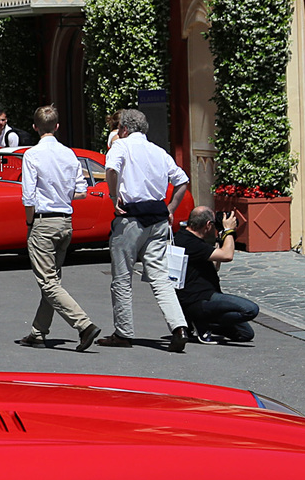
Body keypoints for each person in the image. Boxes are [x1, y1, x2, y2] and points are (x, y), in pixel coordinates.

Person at [99, 108, 193, 352]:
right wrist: (171, 207)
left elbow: (111, 169)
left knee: (122, 277)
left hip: (131, 217)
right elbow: (182, 180)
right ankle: (179, 327)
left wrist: (113, 196)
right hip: (158, 218)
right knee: (160, 277)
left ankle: (123, 332)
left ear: (125, 129)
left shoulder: (121, 146)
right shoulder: (159, 151)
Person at [15, 105, 101, 351]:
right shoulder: (69, 154)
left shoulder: (32, 155)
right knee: (52, 280)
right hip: (65, 220)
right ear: (57, 126)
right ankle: (38, 331)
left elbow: (28, 197)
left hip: (44, 220)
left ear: (35, 127)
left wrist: (30, 221)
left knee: (48, 282)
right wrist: (62, 195)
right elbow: (82, 191)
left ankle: (83, 324)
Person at [177, 207, 260, 342]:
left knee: (246, 334)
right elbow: (227, 255)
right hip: (199, 299)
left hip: (204, 296)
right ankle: (202, 321)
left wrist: (220, 238)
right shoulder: (190, 242)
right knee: (250, 310)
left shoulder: (186, 237)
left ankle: (201, 323)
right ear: (208, 225)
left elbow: (215, 264)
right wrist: (229, 231)